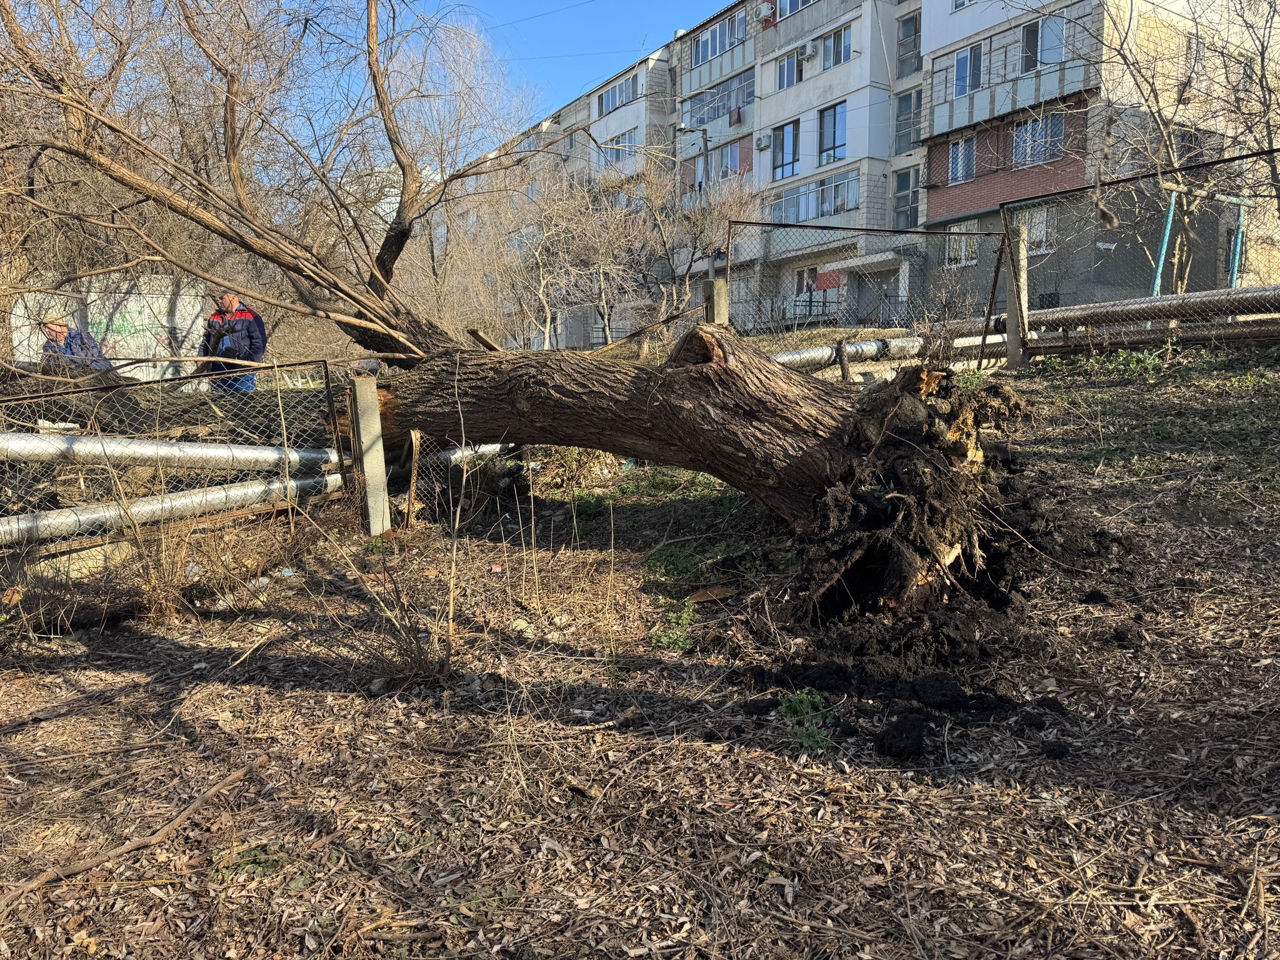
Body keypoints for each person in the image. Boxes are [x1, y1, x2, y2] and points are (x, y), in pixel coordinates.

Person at [197, 290, 266, 392]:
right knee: (219, 400)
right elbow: (206, 340)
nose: (219, 301)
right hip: (217, 369)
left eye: (222, 298)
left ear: (233, 299)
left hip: (241, 371)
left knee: (243, 400)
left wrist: (250, 363)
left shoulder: (250, 316)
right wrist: (201, 358)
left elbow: (259, 342)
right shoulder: (214, 316)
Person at [40, 317, 114, 374]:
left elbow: (91, 356)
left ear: (61, 326)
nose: (47, 331)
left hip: (102, 373)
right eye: (45, 329)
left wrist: (69, 362)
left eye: (49, 328)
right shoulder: (49, 346)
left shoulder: (80, 336)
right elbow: (52, 365)